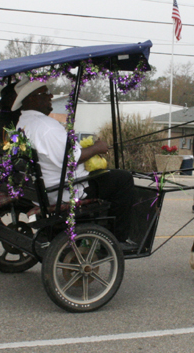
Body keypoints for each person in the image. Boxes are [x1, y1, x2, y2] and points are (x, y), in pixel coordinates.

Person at [14, 78, 138, 251]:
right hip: (62, 190)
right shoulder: (46, 126)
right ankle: (117, 240)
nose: (50, 96)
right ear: (31, 99)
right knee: (123, 179)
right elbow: (71, 159)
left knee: (110, 176)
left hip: (40, 189)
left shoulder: (23, 123)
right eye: (45, 93)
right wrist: (97, 148)